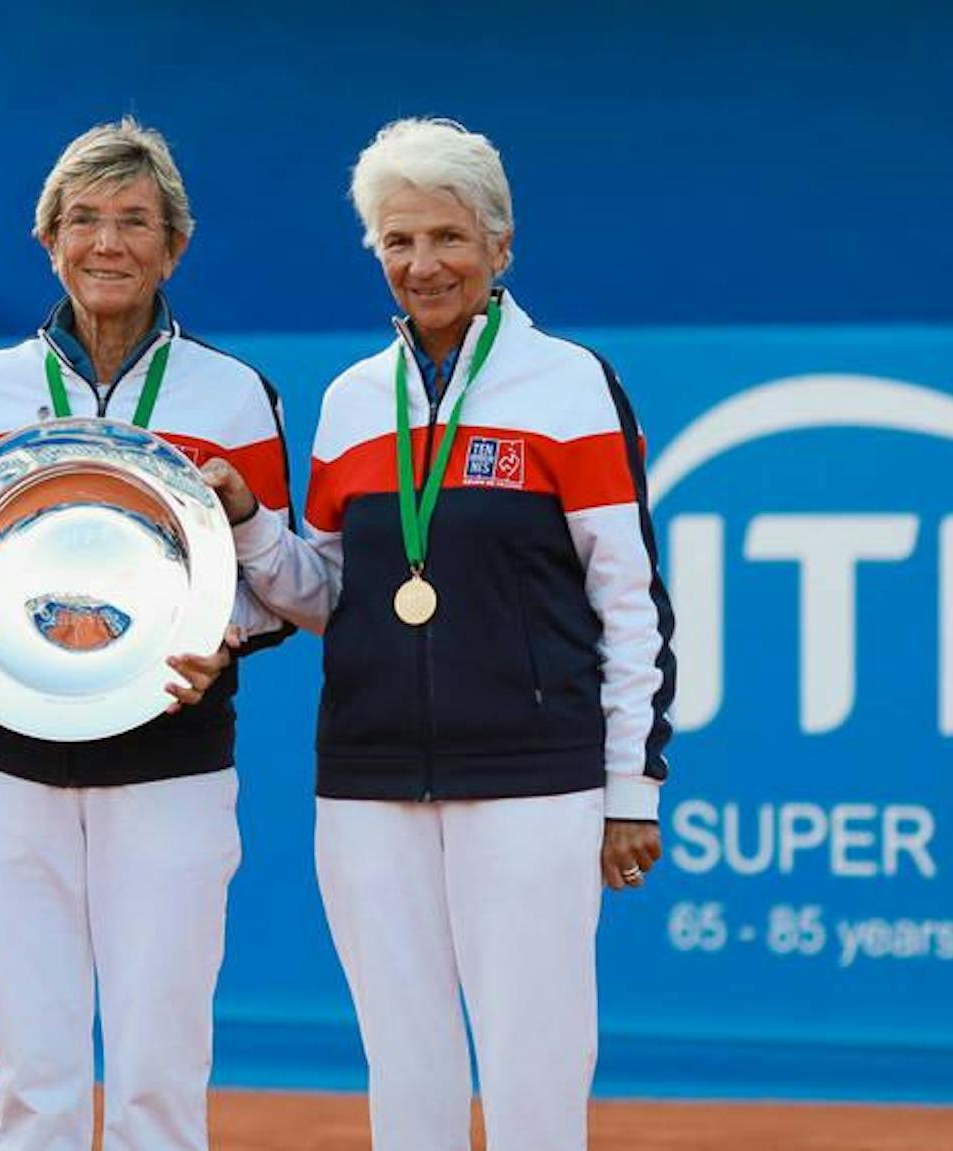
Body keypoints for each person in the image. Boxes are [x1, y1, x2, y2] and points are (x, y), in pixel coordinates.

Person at [202, 118, 676, 1150]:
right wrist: (245, 518)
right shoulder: (349, 402)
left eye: (449, 238)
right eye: (399, 240)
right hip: (368, 778)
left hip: (531, 774)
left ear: (499, 246)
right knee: (403, 1054)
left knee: (533, 1054)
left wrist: (628, 786)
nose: (424, 264)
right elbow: (328, 590)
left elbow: (629, 596)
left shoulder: (567, 384)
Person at [0, 118, 294, 1151]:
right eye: (82, 219)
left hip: (170, 760)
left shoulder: (230, 392)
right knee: (35, 1070)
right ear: (46, 239)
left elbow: (271, 587)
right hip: (3, 761)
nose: (105, 242)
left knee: (160, 1065)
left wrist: (230, 640)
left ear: (173, 248)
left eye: (132, 221)